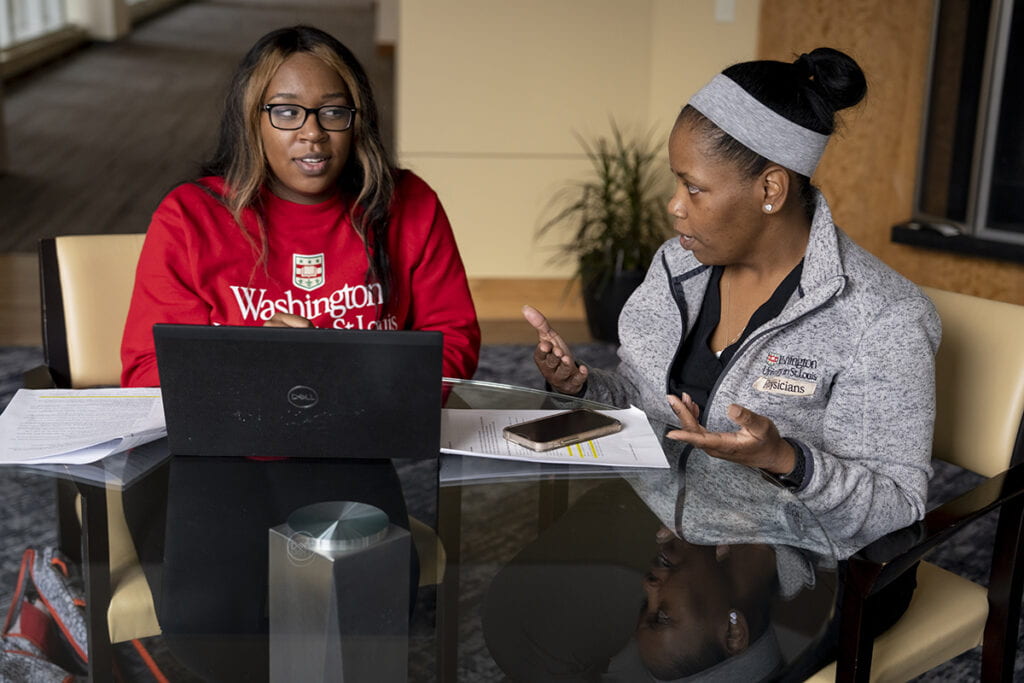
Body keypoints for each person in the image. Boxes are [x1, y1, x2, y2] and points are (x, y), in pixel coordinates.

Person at [119, 25, 478, 682]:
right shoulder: (191, 216)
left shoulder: (407, 205)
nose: (311, 133)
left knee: (364, 616)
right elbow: (146, 368)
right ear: (252, 120)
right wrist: (258, 358)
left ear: (357, 118)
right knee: (209, 623)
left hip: (348, 448)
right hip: (216, 457)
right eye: (285, 111)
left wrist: (350, 366)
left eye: (332, 111)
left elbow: (454, 344)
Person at [523, 47, 939, 559]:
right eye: (676, 180)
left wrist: (786, 460)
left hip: (800, 575)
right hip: (670, 534)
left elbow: (895, 510)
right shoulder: (678, 265)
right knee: (528, 595)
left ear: (770, 188)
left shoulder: (882, 317)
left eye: (693, 188)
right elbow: (640, 401)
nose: (674, 205)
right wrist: (584, 385)